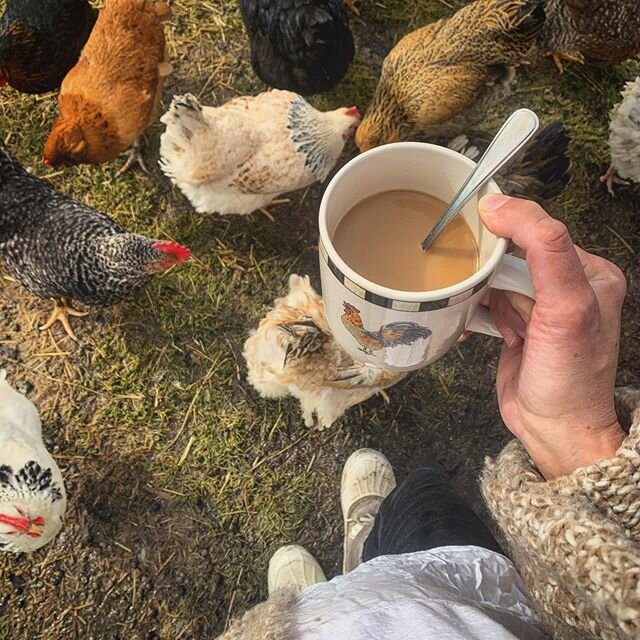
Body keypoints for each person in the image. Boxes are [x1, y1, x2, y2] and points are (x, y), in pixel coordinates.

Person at [216, 196, 639, 640]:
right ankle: (358, 565)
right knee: (422, 491)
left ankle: (332, 590)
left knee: (414, 498)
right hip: (464, 599)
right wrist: (569, 434)